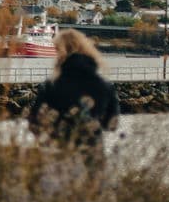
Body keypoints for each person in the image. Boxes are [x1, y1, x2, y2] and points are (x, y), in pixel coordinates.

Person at [26, 29, 120, 161]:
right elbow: (111, 125)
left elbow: (34, 121)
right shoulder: (105, 86)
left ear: (61, 53)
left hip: (58, 154)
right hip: (92, 155)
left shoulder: (51, 85)